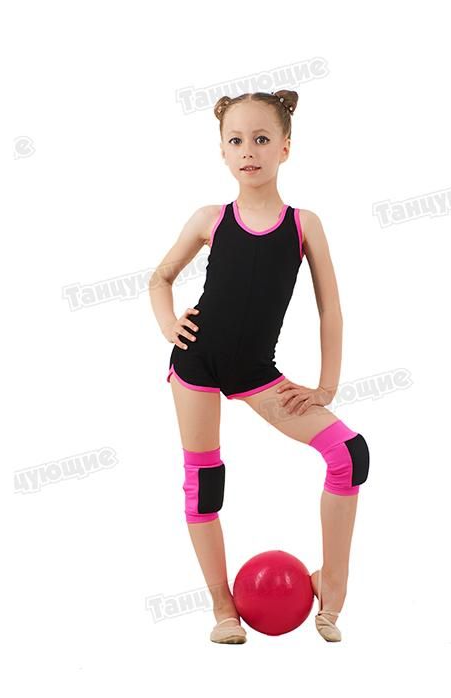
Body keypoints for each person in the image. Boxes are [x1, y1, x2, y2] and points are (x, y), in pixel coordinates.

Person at [149, 90, 370, 643]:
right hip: (196, 362)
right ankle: (223, 609)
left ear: (285, 148)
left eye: (262, 139)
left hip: (256, 372)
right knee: (204, 483)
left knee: (348, 454)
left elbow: (330, 308)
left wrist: (326, 387)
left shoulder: (304, 225)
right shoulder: (210, 219)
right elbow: (160, 278)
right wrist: (169, 324)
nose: (249, 150)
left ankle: (331, 589)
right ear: (223, 152)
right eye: (236, 140)